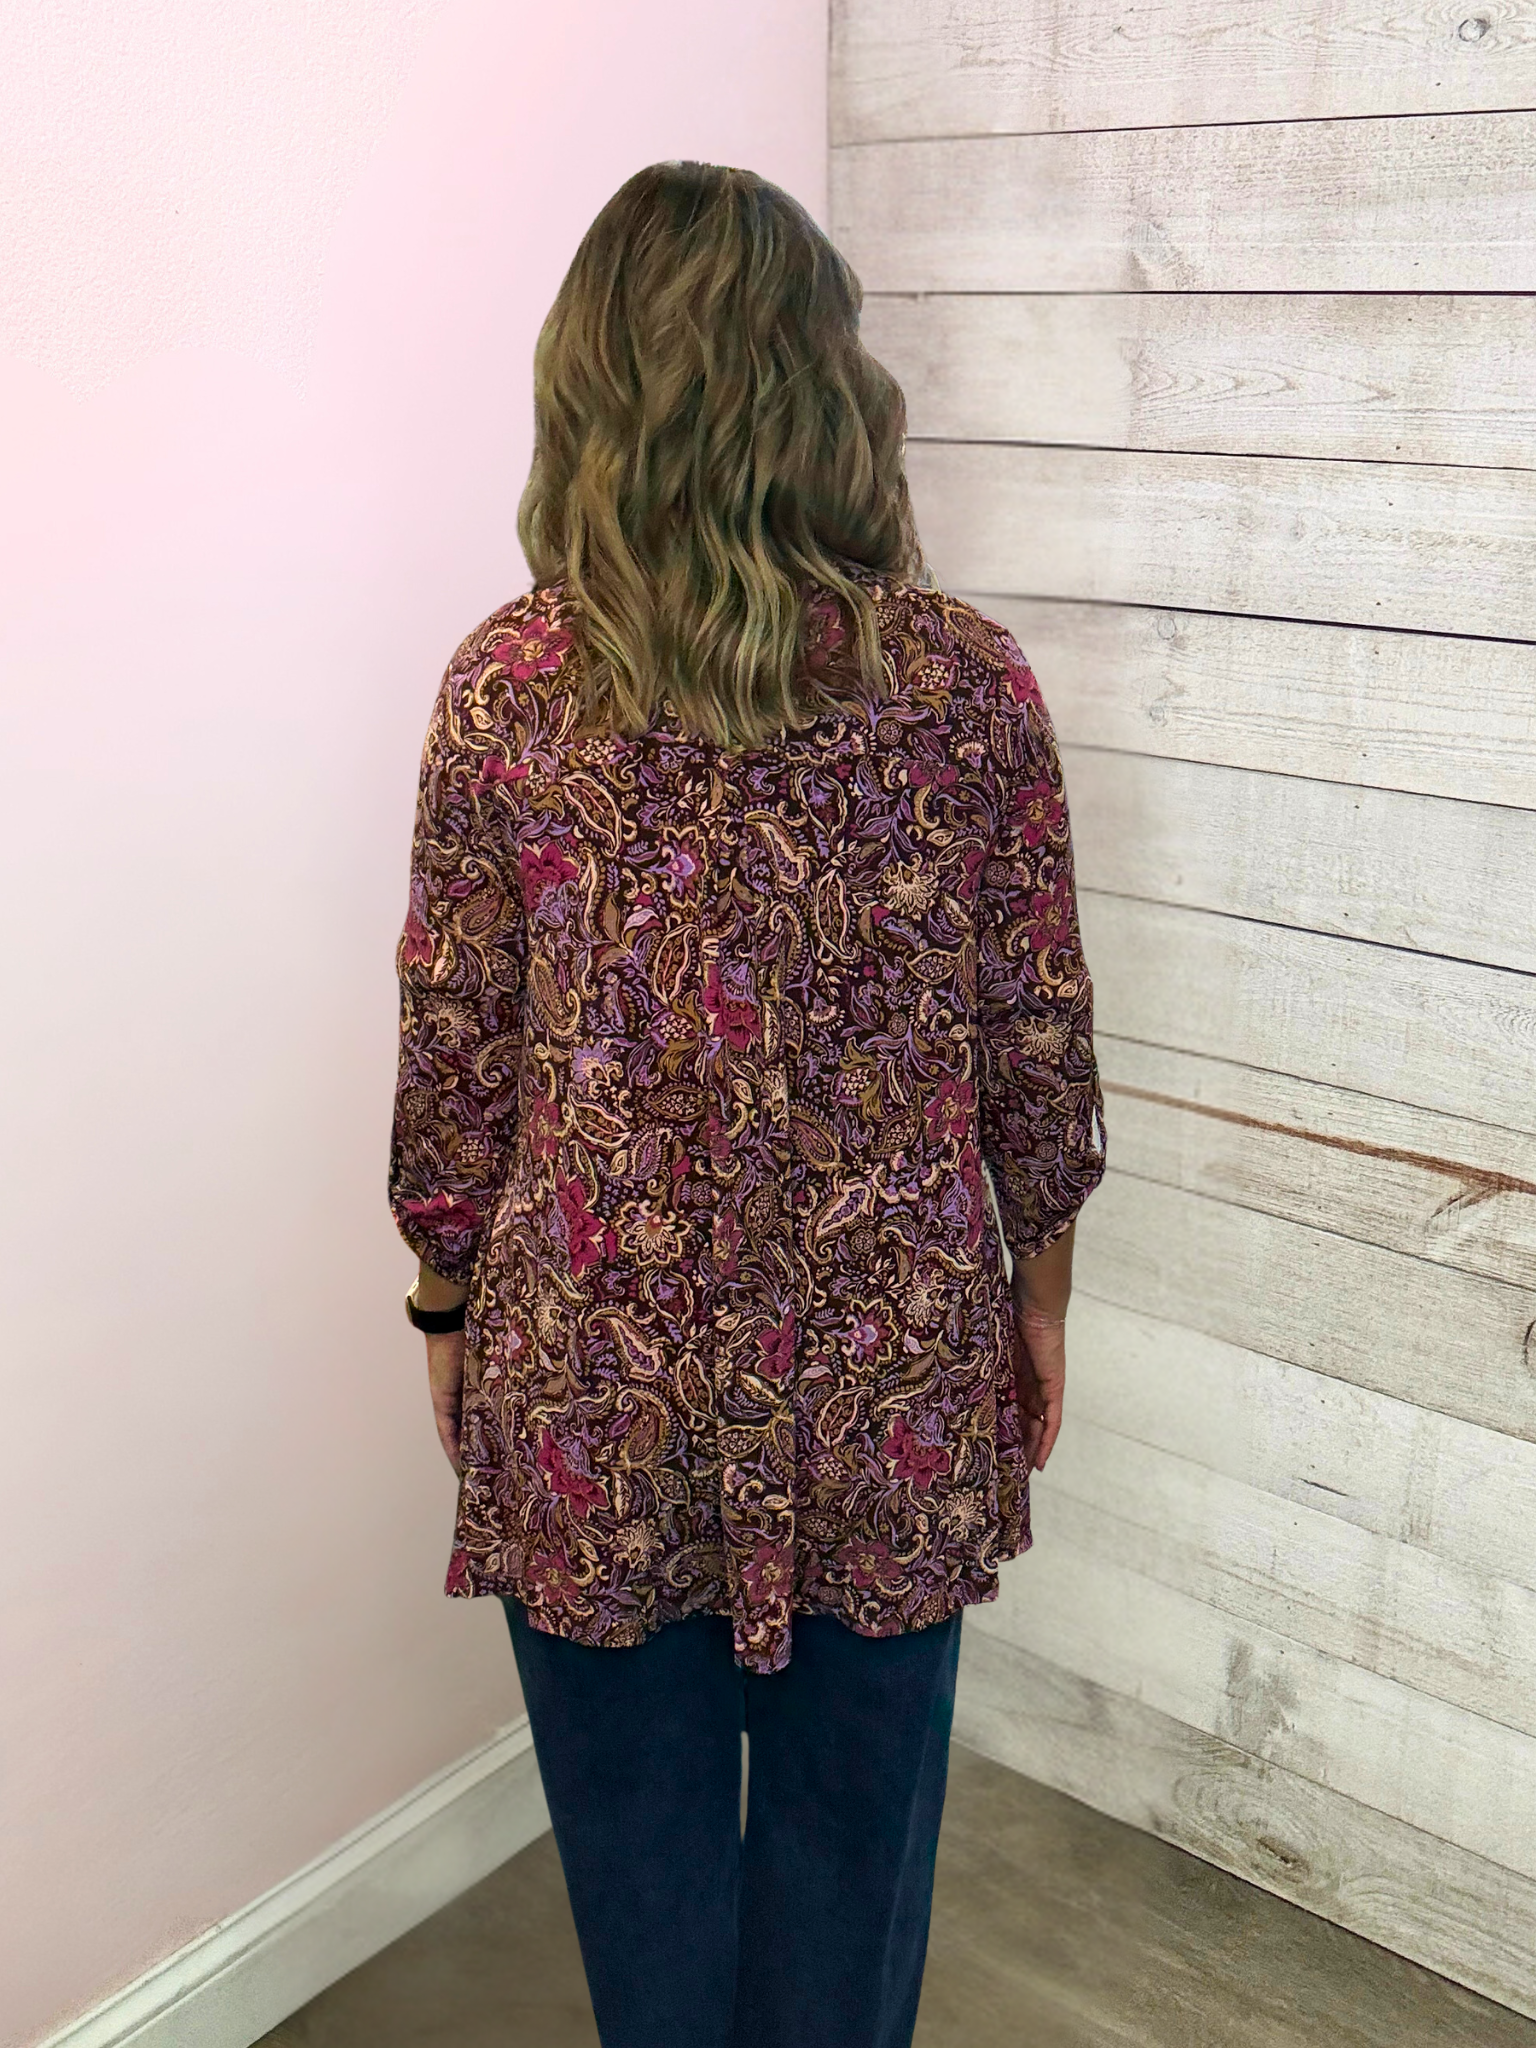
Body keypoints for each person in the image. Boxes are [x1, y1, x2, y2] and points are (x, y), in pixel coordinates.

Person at [388, 160, 1106, 2048]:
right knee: (851, 1895)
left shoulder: (507, 692)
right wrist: (1037, 1299)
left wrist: (445, 1301)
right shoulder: (967, 687)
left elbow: (457, 1049)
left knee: (645, 1909)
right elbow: (1035, 1042)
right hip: (892, 1383)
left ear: (589, 384)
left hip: (592, 1395)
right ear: (828, 383)